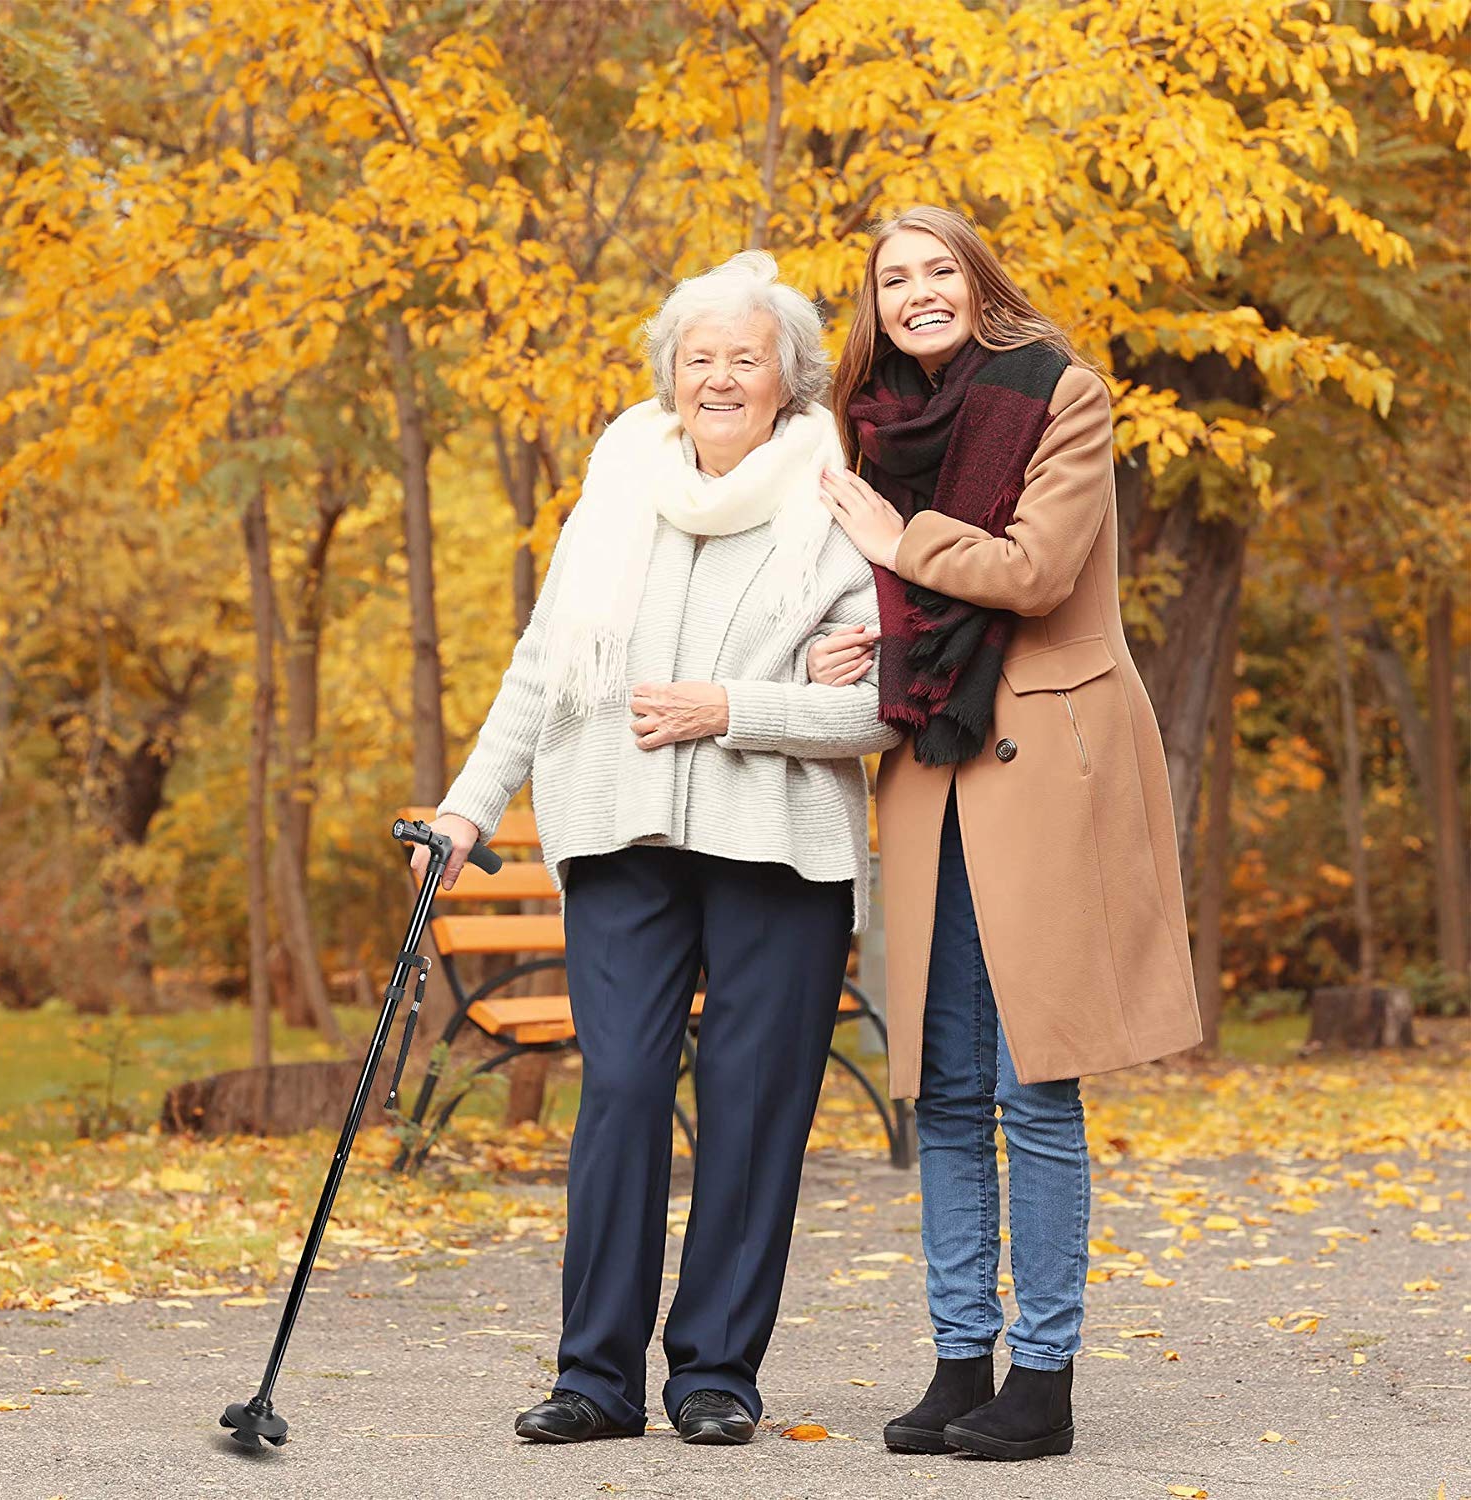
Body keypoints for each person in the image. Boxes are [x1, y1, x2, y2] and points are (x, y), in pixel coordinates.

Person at [412, 252, 899, 1448]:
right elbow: (542, 667)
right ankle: (595, 1376)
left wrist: (731, 709)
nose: (720, 378)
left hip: (778, 845)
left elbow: (885, 708)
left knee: (754, 1105)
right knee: (623, 1088)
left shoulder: (840, 506)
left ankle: (715, 1374)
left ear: (788, 379)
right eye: (699, 358)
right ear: (670, 375)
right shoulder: (617, 489)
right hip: (617, 833)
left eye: (746, 359)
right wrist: (468, 808)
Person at [812, 206, 1202, 1462]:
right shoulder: (874, 428)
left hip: (1045, 756)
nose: (919, 292)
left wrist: (898, 541)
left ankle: (1043, 1380)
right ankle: (957, 1360)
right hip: (935, 759)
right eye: (895, 280)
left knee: (1036, 1083)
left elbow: (1035, 573)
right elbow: (895, 593)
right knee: (943, 1084)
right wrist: (856, 640)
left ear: (979, 284)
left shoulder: (1059, 394)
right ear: (875, 309)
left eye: (941, 270)